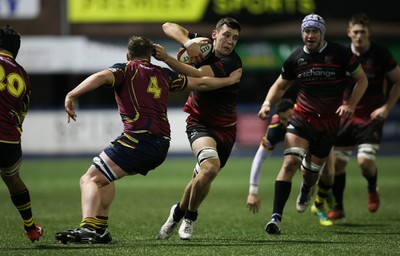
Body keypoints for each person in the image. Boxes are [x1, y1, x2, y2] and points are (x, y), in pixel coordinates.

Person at [55, 35, 242, 244]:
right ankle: (100, 229)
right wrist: (228, 81)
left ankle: (88, 227)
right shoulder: (163, 74)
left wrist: (71, 95)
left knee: (88, 179)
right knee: (103, 178)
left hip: (137, 140)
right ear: (150, 57)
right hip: (161, 145)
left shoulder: (124, 70)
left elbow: (99, 77)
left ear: (128, 55)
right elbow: (201, 83)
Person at [258, 13, 368, 235]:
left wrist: (351, 104)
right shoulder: (295, 58)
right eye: (306, 31)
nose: (310, 35)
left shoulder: (340, 54)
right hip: (301, 118)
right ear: (302, 33)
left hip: (328, 124)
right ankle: (275, 218)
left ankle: (307, 188)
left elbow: (362, 80)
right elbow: (280, 86)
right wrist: (267, 103)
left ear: (322, 33)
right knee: (290, 164)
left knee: (311, 175)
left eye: (314, 31)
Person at [156, 17, 242, 240]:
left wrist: (166, 58)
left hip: (226, 129)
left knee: (201, 177)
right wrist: (187, 43)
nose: (230, 41)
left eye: (234, 38)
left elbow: (198, 78)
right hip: (199, 122)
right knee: (210, 168)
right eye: (226, 35)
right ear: (215, 34)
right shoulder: (201, 44)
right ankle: (189, 219)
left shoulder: (233, 62)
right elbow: (167, 26)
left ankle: (176, 213)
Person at [327, 13, 400, 220]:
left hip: (371, 116)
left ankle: (372, 188)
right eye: (356, 32)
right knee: (338, 164)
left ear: (368, 33)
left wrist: (386, 108)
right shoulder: (341, 55)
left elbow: (398, 81)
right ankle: (339, 206)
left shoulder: (381, 54)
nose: (359, 36)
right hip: (346, 116)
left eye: (363, 32)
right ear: (349, 33)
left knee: (364, 161)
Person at [0, 25, 43, 242]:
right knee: (12, 178)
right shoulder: (23, 75)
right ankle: (30, 227)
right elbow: (21, 113)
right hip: (8, 137)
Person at [246, 98, 294, 213]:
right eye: (283, 118)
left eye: (291, 116)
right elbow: (260, 158)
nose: (288, 121)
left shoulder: (305, 117)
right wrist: (253, 191)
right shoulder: (274, 130)